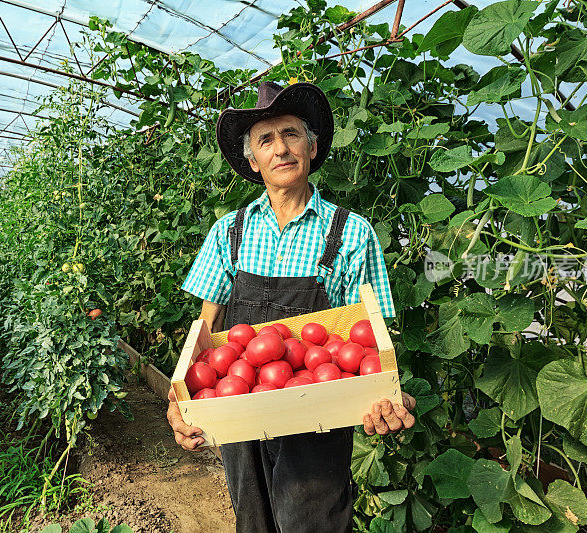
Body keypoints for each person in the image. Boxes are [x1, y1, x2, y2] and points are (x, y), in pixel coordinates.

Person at [166, 81, 416, 532]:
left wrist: (385, 391)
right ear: (251, 158)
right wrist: (181, 397)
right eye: (265, 139)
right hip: (240, 413)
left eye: (292, 134)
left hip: (317, 417)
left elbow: (369, 341)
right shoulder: (229, 232)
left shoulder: (353, 233)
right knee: (253, 519)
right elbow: (205, 334)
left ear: (313, 146)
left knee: (312, 521)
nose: (280, 148)